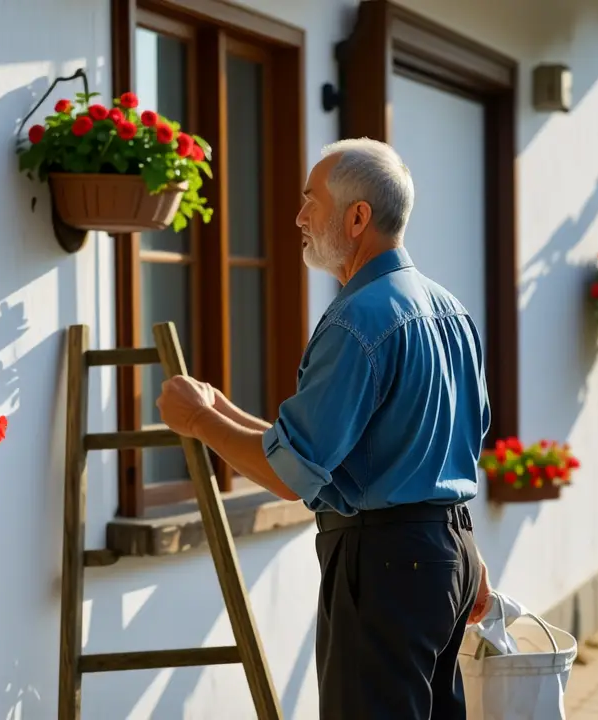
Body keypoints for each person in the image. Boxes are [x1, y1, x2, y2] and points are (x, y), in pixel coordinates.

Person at [156, 137, 493, 719]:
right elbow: (437, 452)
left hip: (385, 563)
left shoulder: (359, 317)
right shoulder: (449, 309)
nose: (299, 217)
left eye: (310, 200)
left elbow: (292, 475)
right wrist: (225, 411)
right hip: (447, 555)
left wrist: (198, 421)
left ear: (357, 217)